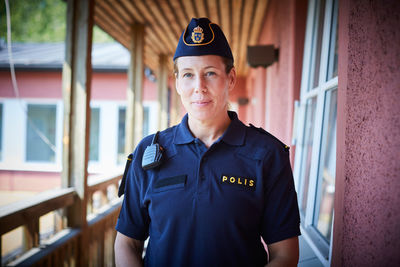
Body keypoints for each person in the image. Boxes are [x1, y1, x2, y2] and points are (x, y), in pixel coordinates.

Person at [114, 17, 300, 267]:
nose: (199, 87)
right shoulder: (149, 152)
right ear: (178, 82)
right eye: (188, 75)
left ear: (231, 78)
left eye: (210, 73)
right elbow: (127, 242)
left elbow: (285, 255)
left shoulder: (268, 154)